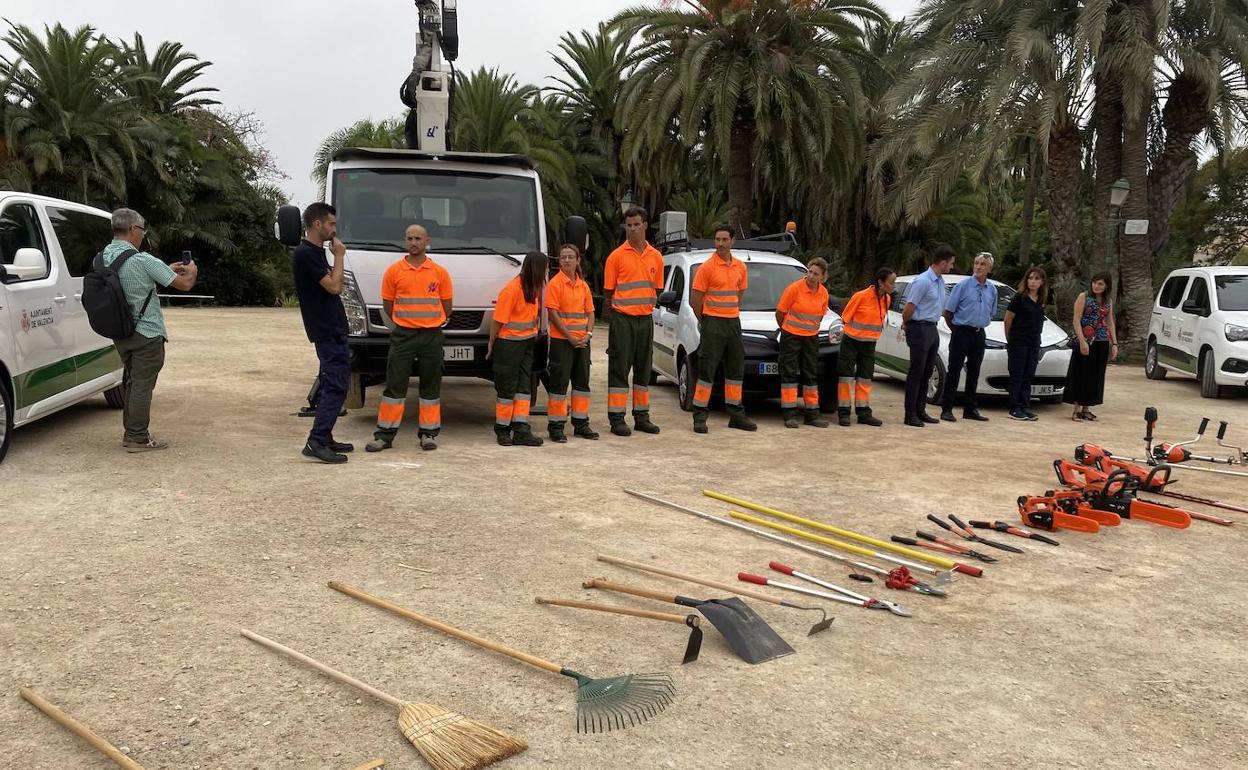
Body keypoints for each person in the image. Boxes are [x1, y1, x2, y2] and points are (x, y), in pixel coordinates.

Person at [102, 208, 197, 452]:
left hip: (120, 331)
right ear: (133, 229)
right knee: (142, 385)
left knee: (133, 382)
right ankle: (137, 437)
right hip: (146, 332)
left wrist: (164, 268)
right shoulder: (142, 260)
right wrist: (192, 272)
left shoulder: (102, 257)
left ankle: (130, 432)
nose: (143, 235)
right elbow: (185, 285)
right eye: (142, 230)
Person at [366, 224, 453, 452]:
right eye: (410, 238)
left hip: (432, 335)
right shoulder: (394, 271)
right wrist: (404, 322)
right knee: (395, 385)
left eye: (418, 238)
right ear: (405, 241)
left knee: (431, 386)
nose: (414, 242)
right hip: (403, 335)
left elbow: (447, 305)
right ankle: (384, 435)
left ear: (427, 242)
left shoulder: (439, 272)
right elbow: (388, 304)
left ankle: (428, 433)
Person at [291, 202, 353, 463]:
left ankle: (325, 436)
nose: (334, 229)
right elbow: (334, 287)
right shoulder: (306, 254)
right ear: (317, 224)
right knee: (336, 384)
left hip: (332, 326)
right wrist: (339, 257)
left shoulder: (314, 252)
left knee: (334, 382)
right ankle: (316, 440)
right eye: (331, 224)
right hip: (326, 328)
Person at [602, 207, 664, 436]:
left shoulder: (656, 257)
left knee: (643, 370)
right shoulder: (616, 256)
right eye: (629, 225)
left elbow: (656, 288)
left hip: (645, 320)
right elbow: (608, 293)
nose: (632, 229)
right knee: (619, 368)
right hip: (623, 320)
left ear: (645, 225)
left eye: (637, 224)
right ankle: (617, 418)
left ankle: (641, 416)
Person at [690, 224, 757, 434]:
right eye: (717, 239)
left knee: (735, 369)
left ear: (732, 241)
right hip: (712, 322)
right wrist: (706, 321)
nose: (720, 244)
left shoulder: (740, 267)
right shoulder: (706, 267)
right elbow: (695, 300)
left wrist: (729, 314)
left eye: (724, 240)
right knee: (707, 370)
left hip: (733, 323)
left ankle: (736, 414)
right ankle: (700, 416)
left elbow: (740, 295)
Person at [489, 251, 547, 447]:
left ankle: (521, 429)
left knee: (523, 388)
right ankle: (502, 430)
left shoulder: (533, 289)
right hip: (509, 345)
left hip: (526, 344)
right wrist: (491, 345)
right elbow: (497, 322)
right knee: (507, 388)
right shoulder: (512, 289)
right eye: (544, 269)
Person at [545, 243, 599, 442]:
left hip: (583, 342)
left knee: (581, 384)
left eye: (570, 257)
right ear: (559, 261)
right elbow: (553, 314)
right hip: (563, 342)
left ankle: (581, 424)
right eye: (563, 257)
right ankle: (556, 427)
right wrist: (570, 337)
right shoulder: (555, 284)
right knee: (559, 384)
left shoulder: (583, 286)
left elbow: (590, 313)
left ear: (578, 260)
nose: (566, 260)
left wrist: (588, 335)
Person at [901, 246, 956, 427]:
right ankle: (910, 413)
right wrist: (908, 324)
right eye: (951, 263)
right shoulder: (923, 281)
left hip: (932, 328)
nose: (952, 267)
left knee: (927, 373)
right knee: (916, 373)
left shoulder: (940, 281)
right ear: (942, 263)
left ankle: (920, 410)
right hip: (919, 327)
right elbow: (909, 307)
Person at [939, 252, 997, 422]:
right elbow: (948, 312)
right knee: (954, 370)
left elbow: (991, 312)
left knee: (974, 371)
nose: (978, 267)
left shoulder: (992, 289)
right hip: (961, 331)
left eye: (983, 264)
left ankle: (970, 408)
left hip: (979, 333)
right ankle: (947, 408)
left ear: (990, 268)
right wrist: (956, 330)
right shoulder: (963, 286)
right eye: (976, 263)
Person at [775, 257, 831, 429]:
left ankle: (812, 414)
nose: (811, 276)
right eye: (810, 272)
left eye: (816, 274)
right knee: (789, 375)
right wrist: (787, 329)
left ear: (823, 277)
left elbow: (820, 315)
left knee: (811, 375)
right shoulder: (794, 289)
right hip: (791, 336)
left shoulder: (823, 293)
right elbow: (780, 313)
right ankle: (789, 414)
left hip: (811, 337)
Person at [837, 267, 895, 427]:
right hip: (851, 342)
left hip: (869, 344)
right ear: (880, 283)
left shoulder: (886, 299)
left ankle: (863, 413)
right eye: (891, 282)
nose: (894, 285)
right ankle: (843, 413)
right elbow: (845, 318)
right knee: (846, 377)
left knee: (865, 378)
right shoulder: (860, 297)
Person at [1063, 272, 1118, 421]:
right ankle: (1076, 409)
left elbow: (1110, 321)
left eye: (1100, 284)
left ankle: (1087, 408)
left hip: (1101, 340)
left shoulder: (1108, 301)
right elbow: (1076, 319)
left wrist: (1114, 343)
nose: (1096, 286)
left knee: (1095, 375)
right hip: (1086, 339)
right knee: (1081, 373)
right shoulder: (1084, 297)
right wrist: (1082, 341)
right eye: (1095, 283)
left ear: (1106, 286)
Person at [1004, 266, 1049, 421]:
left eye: (1036, 279)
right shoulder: (1019, 297)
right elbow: (1008, 318)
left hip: (1034, 341)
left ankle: (1024, 406)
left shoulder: (1041, 300)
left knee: (1028, 375)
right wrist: (1010, 340)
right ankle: (1014, 407)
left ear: (1042, 282)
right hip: (1018, 341)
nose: (1033, 282)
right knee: (1017, 375)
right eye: (1030, 278)